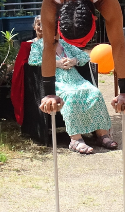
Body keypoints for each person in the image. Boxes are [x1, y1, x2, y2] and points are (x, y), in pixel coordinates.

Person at [27, 16, 116, 154]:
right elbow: (33, 61)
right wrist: (56, 63)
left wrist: (73, 61)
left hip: (76, 79)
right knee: (71, 96)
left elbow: (85, 56)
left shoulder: (65, 44)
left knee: (95, 93)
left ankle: (102, 135)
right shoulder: (38, 46)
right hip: (57, 81)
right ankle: (76, 139)